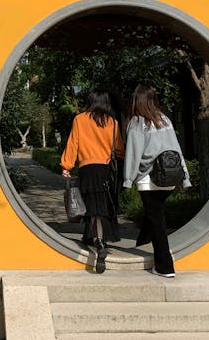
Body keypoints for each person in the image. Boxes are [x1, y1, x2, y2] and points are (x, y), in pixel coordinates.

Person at [123, 84, 191, 278]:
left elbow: (133, 154)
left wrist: (128, 180)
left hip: (148, 179)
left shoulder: (137, 123)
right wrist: (185, 177)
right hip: (170, 176)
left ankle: (165, 266)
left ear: (137, 101)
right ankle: (143, 242)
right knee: (155, 215)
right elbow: (176, 148)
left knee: (157, 221)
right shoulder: (165, 119)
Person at [60, 90, 124, 274]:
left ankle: (98, 241)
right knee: (101, 206)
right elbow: (119, 149)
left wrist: (67, 165)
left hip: (87, 169)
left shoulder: (80, 119)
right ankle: (96, 239)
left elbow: (74, 143)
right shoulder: (112, 122)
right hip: (105, 170)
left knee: (92, 207)